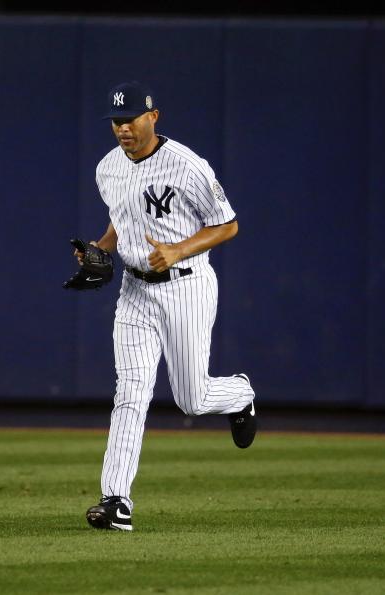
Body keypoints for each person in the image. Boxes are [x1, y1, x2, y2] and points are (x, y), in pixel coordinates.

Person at [81, 81, 257, 532]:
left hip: (187, 286)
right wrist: (100, 249)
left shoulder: (187, 165)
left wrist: (179, 249)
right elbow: (122, 218)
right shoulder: (107, 168)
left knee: (191, 399)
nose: (122, 129)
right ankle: (116, 500)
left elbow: (228, 224)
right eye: (116, 122)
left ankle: (241, 394)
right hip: (135, 291)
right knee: (131, 394)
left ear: (153, 117)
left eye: (131, 120)